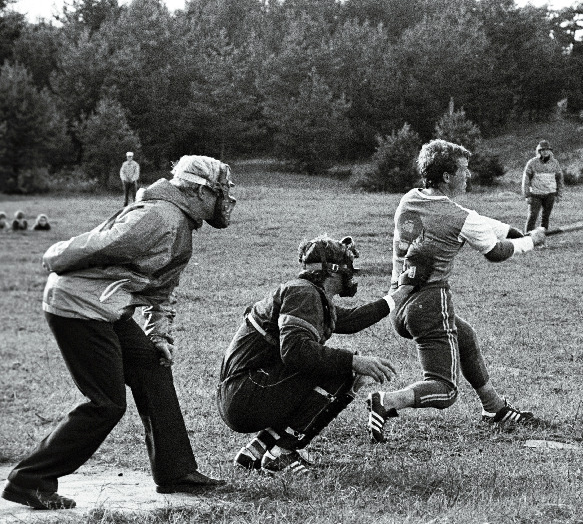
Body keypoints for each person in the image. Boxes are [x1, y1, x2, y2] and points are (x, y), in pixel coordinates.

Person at [1, 155, 237, 510]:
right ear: (201, 191)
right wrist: (56, 256)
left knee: (152, 368)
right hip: (79, 306)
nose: (226, 199)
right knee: (106, 403)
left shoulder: (180, 223)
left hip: (104, 308)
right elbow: (102, 243)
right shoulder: (160, 217)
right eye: (222, 190)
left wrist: (158, 336)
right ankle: (30, 480)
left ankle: (176, 472)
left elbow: (162, 291)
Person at [366, 139, 549, 444]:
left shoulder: (411, 199)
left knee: (464, 336)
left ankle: (495, 409)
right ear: (447, 176)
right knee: (444, 389)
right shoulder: (460, 218)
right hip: (429, 304)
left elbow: (475, 221)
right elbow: (495, 251)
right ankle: (386, 401)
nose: (469, 175)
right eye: (464, 170)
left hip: (400, 302)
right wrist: (531, 241)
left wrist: (514, 230)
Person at [218, 235, 426, 475]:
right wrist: (353, 361)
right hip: (246, 395)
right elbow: (295, 352)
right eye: (348, 267)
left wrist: (400, 294)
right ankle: (281, 454)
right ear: (333, 271)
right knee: (346, 369)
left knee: (339, 364)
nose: (351, 273)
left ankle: (256, 450)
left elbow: (351, 320)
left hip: (242, 392)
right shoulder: (304, 294)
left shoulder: (305, 292)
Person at [521, 139, 563, 232]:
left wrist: (559, 194)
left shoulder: (555, 163)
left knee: (545, 217)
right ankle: (527, 239)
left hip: (550, 195)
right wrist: (527, 195)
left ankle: (542, 241)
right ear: (539, 151)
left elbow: (559, 179)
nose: (545, 152)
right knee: (532, 216)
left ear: (550, 151)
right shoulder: (532, 163)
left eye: (547, 150)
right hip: (536, 195)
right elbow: (526, 180)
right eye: (542, 150)